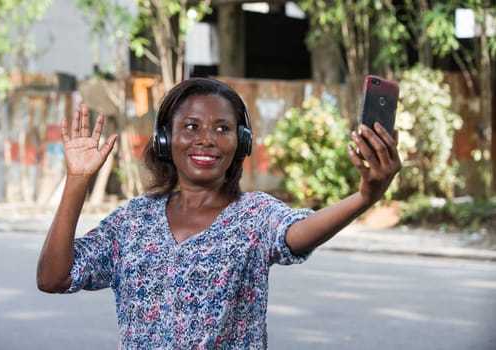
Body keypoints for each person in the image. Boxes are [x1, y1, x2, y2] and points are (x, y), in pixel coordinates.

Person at [37, 77, 401, 349]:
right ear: (166, 139)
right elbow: (54, 278)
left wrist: (364, 197)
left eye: (222, 128)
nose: (206, 139)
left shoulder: (254, 215)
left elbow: (298, 233)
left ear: (240, 143)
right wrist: (77, 180)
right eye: (191, 126)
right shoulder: (133, 221)